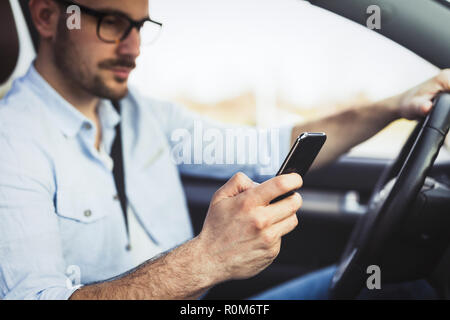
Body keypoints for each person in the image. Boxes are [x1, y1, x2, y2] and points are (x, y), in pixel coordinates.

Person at [0, 0, 448, 300]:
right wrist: (208, 257)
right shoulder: (12, 141)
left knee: (401, 288)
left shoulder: (142, 115)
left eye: (139, 26)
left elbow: (267, 148)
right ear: (46, 17)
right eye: (113, 22)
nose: (133, 48)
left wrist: (393, 107)